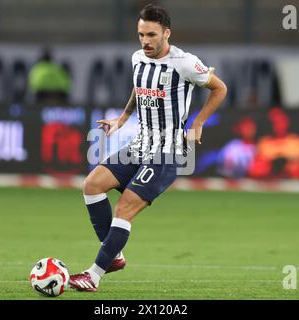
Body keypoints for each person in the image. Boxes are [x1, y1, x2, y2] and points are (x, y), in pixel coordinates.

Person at [68, 4, 227, 292]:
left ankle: (93, 275)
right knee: (92, 185)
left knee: (124, 207)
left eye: (152, 35)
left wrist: (198, 122)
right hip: (139, 144)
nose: (146, 41)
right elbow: (139, 88)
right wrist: (123, 117)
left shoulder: (186, 63)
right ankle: (113, 256)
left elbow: (220, 88)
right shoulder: (138, 58)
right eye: (141, 34)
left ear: (167, 33)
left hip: (166, 152)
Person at [248, 108, 299, 179]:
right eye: (274, 122)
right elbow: (254, 170)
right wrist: (270, 165)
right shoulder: (263, 143)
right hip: (269, 183)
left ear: (286, 122)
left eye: (280, 122)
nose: (278, 126)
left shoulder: (298, 142)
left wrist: (288, 165)